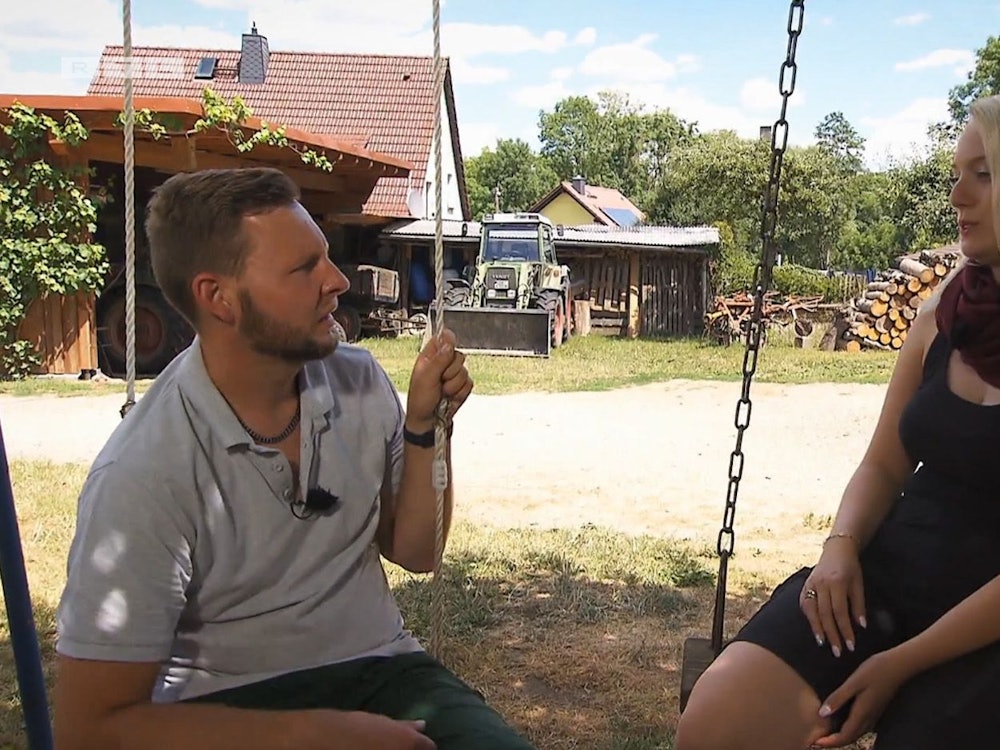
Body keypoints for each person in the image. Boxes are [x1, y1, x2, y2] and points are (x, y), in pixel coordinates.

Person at [52, 167, 536, 750]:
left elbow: (417, 552)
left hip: (384, 671)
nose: (336, 280)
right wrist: (307, 734)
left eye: (325, 257)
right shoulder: (142, 473)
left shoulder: (358, 381)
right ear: (218, 297)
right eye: (304, 268)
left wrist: (427, 427)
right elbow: (90, 728)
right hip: (223, 707)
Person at [676, 96, 1000, 749]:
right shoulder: (944, 312)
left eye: (985, 173)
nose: (956, 192)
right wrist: (840, 548)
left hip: (986, 624)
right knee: (717, 717)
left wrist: (901, 664)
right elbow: (884, 463)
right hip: (894, 574)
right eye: (957, 171)